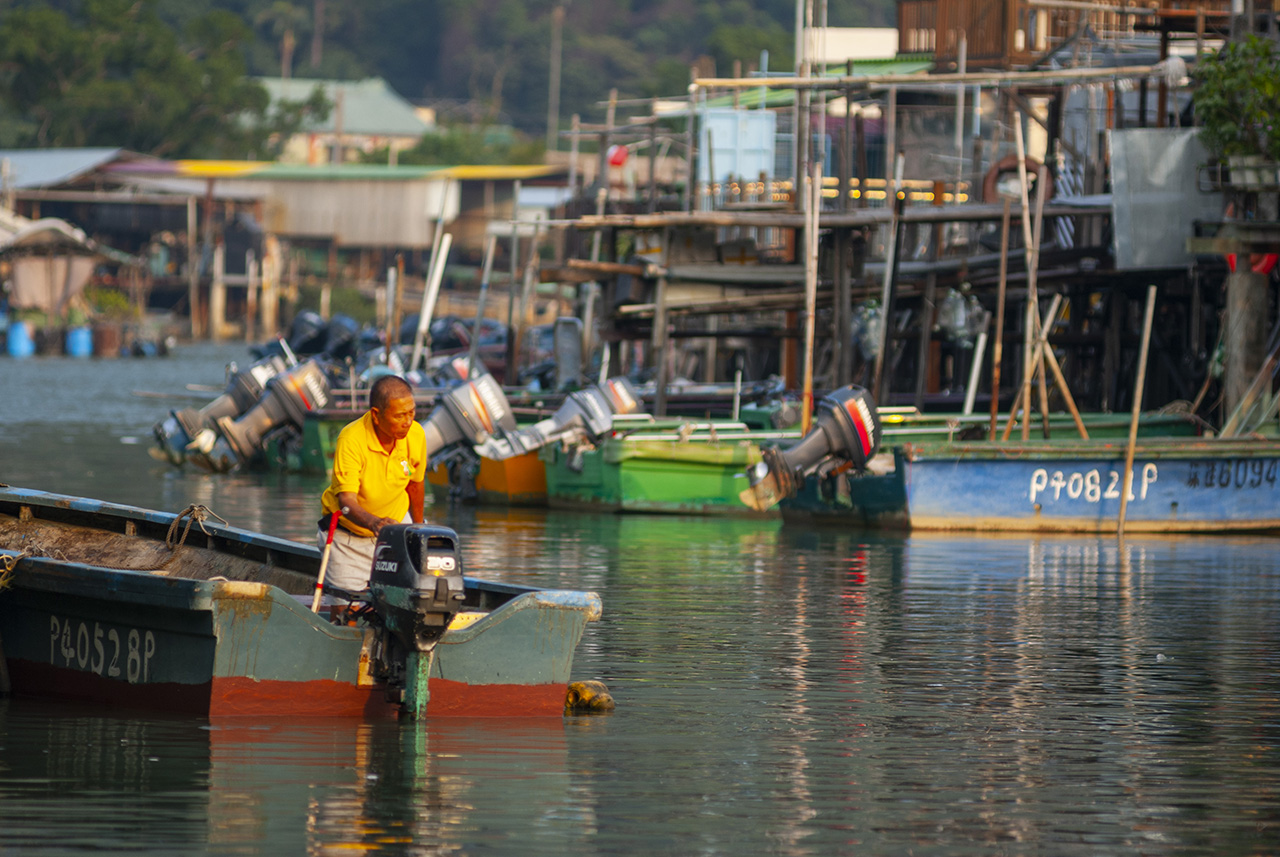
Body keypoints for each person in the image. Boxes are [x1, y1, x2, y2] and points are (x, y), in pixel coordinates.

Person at [317, 373, 426, 595]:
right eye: (399, 416)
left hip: (395, 527)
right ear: (376, 415)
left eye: (411, 413)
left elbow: (415, 484)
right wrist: (374, 523)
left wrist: (419, 528)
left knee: (408, 597)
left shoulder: (416, 434)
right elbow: (346, 500)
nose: (407, 422)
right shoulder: (351, 439)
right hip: (349, 535)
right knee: (347, 609)